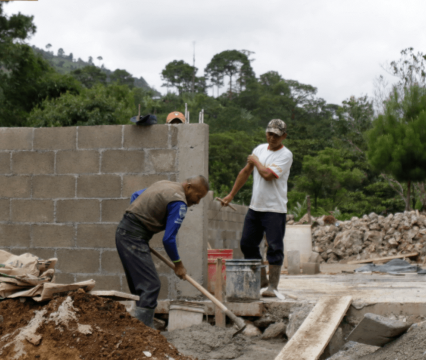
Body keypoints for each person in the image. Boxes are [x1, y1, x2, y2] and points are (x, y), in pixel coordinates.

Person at [116, 176, 209, 327]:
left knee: (142, 286)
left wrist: (137, 222)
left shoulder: (165, 184)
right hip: (133, 237)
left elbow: (136, 195)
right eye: (198, 197)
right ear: (188, 187)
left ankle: (140, 325)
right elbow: (168, 239)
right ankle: (144, 330)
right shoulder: (179, 203)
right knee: (151, 285)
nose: (198, 202)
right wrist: (178, 265)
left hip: (125, 233)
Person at [218, 119, 293, 298]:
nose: (272, 137)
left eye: (276, 135)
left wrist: (256, 161)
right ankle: (262, 280)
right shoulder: (259, 149)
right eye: (269, 133)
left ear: (284, 136)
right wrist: (231, 195)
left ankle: (273, 287)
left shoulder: (285, 155)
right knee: (247, 243)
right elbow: (245, 172)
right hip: (255, 207)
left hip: (274, 209)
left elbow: (267, 175)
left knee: (274, 247)